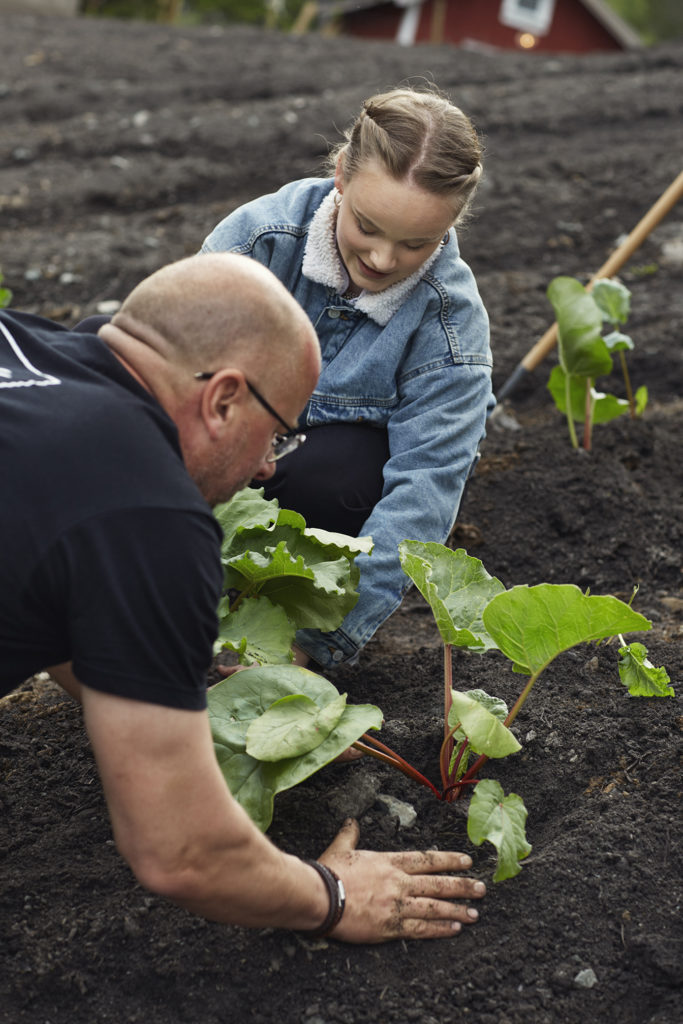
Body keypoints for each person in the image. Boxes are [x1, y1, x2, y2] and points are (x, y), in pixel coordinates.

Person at [0, 252, 485, 942]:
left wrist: (213, 703)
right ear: (223, 397)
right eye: (280, 434)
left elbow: (59, 582)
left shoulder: (24, 344)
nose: (267, 466)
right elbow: (181, 853)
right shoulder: (151, 515)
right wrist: (335, 896)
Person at [201, 86, 494, 672]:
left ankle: (284, 608)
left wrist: (310, 646)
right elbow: (171, 381)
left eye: (416, 244)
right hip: (216, 471)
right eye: (368, 226)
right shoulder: (257, 243)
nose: (383, 259)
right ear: (341, 174)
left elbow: (423, 493)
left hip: (322, 509)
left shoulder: (451, 329)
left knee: (344, 471)